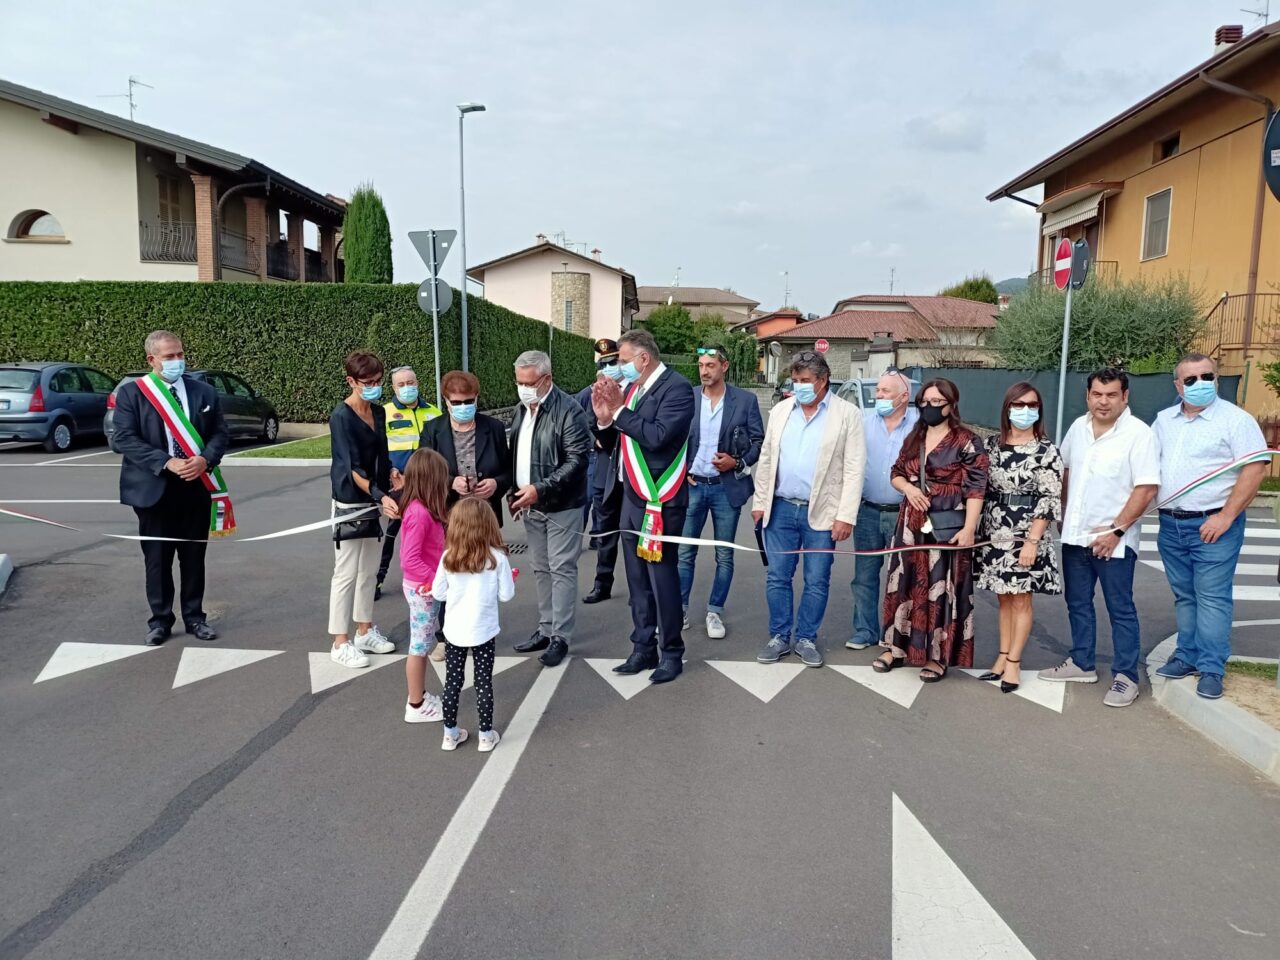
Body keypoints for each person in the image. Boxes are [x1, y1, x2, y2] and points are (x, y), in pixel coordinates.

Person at [1038, 369, 1158, 707]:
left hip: (1114, 542)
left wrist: (1116, 531)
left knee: (1120, 608)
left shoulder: (1138, 434)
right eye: (1097, 394)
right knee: (1078, 603)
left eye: (1111, 395)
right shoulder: (1078, 427)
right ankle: (1081, 663)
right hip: (1076, 538)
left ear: (1125, 397)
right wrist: (1062, 518)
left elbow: (1146, 486)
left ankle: (1125, 676)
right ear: (1088, 395)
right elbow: (1066, 473)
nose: (1103, 401)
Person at [1152, 353, 1267, 700]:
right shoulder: (1163, 421)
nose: (1199, 384)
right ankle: (1186, 655)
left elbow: (1255, 469)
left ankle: (1212, 668)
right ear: (1177, 385)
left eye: (1207, 376)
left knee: (1213, 598)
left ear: (1217, 379)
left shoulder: (1236, 420)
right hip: (1171, 524)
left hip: (1214, 525)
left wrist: (1227, 516)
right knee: (1185, 595)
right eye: (1190, 379)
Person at [590, 328, 695, 684]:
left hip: (660, 499)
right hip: (631, 495)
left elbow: (657, 437)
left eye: (623, 360)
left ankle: (671, 651)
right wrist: (605, 418)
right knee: (636, 577)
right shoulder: (633, 390)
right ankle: (642, 646)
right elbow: (613, 442)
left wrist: (619, 410)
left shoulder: (677, 389)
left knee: (661, 577)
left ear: (643, 358)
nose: (619, 367)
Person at [113, 330, 230, 645]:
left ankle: (195, 618)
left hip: (196, 485)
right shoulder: (132, 394)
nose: (178, 361)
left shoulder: (203, 392)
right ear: (152, 360)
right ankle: (160, 621)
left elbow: (220, 433)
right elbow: (123, 438)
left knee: (193, 557)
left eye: (180, 354)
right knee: (158, 558)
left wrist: (205, 460)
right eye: (169, 356)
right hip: (154, 488)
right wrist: (165, 461)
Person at [751, 351, 865, 668]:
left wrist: (846, 515)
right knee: (777, 576)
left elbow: (855, 469)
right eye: (796, 380)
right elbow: (767, 459)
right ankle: (779, 636)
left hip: (824, 513)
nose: (799, 386)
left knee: (816, 578)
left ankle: (806, 638)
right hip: (781, 509)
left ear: (823, 380)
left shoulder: (847, 415)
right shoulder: (781, 411)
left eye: (805, 381)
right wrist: (760, 502)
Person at [877, 378, 988, 683]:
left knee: (942, 588)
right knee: (903, 584)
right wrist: (909, 491)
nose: (929, 407)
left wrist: (969, 529)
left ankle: (938, 657)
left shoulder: (967, 440)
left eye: (937, 402)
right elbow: (896, 473)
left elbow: (977, 488)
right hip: (911, 523)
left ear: (952, 404)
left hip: (947, 523)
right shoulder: (915, 436)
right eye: (924, 402)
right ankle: (896, 647)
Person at [975, 382, 1063, 693]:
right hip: (994, 531)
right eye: (1019, 404)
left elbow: (1049, 497)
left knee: (1022, 597)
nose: (1025, 410)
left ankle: (1014, 662)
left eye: (1032, 405)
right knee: (1003, 597)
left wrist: (1032, 541)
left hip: (1026, 531)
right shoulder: (992, 445)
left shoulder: (1046, 449)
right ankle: (1001, 656)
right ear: (1007, 407)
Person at [507, 350, 592, 667]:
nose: (523, 388)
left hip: (561, 504)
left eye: (529, 383)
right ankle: (545, 628)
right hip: (530, 504)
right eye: (519, 382)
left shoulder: (569, 411)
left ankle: (561, 636)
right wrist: (513, 492)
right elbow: (516, 452)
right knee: (540, 567)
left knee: (561, 568)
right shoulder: (521, 410)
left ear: (547, 380)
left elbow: (578, 460)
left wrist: (540, 488)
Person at [677, 344, 764, 640]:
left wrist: (737, 462)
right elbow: (674, 437)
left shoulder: (745, 400)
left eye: (710, 365)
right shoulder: (688, 397)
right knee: (684, 552)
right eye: (701, 365)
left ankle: (715, 611)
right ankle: (681, 609)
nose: (704, 371)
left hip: (726, 489)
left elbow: (758, 442)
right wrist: (681, 471)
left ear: (724, 367)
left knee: (724, 555)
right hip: (692, 486)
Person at [328, 351, 399, 669]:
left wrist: (391, 475)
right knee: (346, 572)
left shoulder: (379, 412)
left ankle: (365, 630)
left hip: (375, 495)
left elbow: (381, 452)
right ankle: (339, 641)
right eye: (367, 383)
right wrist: (378, 494)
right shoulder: (341, 418)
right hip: (350, 501)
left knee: (369, 569)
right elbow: (351, 467)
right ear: (351, 381)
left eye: (377, 381)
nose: (374, 387)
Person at [431, 498, 517, 752]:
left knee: (452, 683)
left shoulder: (448, 557)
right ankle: (486, 735)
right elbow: (506, 596)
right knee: (483, 682)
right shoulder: (497, 558)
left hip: (454, 631)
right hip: (484, 630)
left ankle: (449, 733)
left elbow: (438, 593)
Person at [847, 370, 918, 651]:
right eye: (877, 390)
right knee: (864, 576)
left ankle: (900, 634)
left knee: (905, 576)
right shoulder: (863, 423)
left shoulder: (919, 427)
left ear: (904, 397)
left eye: (885, 391)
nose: (878, 396)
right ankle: (865, 631)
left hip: (904, 513)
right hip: (867, 511)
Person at [375, 365, 442, 601]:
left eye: (410, 383)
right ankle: (378, 578)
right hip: (399, 483)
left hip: (427, 485)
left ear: (417, 383)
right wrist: (391, 470)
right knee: (393, 530)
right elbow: (380, 450)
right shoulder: (384, 413)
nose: (407, 388)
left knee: (432, 533)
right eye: (401, 385)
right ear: (393, 388)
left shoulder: (434, 412)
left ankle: (436, 577)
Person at [398, 448, 451, 724]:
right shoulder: (419, 513)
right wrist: (435, 579)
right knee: (419, 646)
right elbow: (409, 559)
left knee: (425, 641)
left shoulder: (422, 510)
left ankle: (419, 696)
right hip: (423, 588)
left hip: (425, 586)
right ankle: (416, 704)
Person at [422, 370, 512, 526]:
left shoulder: (494, 428)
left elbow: (509, 470)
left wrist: (496, 483)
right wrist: (450, 482)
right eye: (456, 402)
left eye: (469, 401)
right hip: (446, 517)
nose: (463, 406)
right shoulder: (432, 429)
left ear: (476, 397)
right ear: (446, 400)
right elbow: (424, 472)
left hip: (486, 517)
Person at [580, 339, 626, 599]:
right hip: (603, 466)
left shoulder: (631, 391)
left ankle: (638, 588)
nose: (609, 368)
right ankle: (602, 584)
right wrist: (593, 438)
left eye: (613, 362)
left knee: (632, 536)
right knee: (606, 532)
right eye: (604, 364)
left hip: (632, 472)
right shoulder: (591, 392)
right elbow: (581, 423)